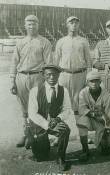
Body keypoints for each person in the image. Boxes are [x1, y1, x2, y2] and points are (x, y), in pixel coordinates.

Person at [10, 15, 53, 147]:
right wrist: (12, 80)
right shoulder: (20, 42)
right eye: (28, 24)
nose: (31, 26)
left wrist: (48, 82)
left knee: (38, 107)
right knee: (24, 108)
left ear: (38, 25)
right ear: (25, 26)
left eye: (34, 23)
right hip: (22, 77)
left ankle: (39, 135)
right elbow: (14, 62)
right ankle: (26, 134)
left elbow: (49, 63)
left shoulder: (44, 42)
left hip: (37, 77)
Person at [27, 64, 72, 171]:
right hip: (39, 124)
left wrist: (58, 119)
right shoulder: (35, 90)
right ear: (43, 75)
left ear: (59, 75)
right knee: (41, 157)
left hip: (54, 121)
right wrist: (48, 126)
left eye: (55, 75)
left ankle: (61, 157)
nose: (52, 78)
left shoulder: (63, 90)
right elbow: (32, 113)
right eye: (49, 75)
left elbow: (67, 109)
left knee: (65, 130)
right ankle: (30, 137)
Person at [55, 16, 92, 116]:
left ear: (79, 25)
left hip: (79, 75)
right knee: (63, 101)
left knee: (79, 101)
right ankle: (65, 128)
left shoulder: (83, 41)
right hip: (64, 74)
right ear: (67, 25)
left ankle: (78, 127)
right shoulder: (61, 41)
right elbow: (56, 61)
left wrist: (88, 78)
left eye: (76, 23)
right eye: (71, 23)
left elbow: (89, 61)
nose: (74, 25)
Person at [77, 71, 110, 161]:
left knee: (105, 150)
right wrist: (95, 114)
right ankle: (85, 150)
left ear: (100, 82)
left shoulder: (107, 95)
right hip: (90, 119)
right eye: (91, 81)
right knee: (81, 122)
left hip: (102, 122)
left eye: (96, 81)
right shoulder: (83, 93)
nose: (94, 83)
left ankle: (99, 141)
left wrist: (107, 132)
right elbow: (82, 110)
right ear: (87, 82)